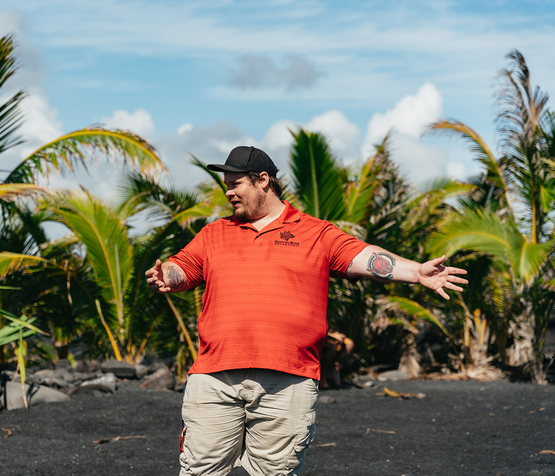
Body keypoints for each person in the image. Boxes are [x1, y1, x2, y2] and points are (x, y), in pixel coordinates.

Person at [145, 146, 467, 476]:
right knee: (199, 470)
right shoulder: (214, 233)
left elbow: (365, 258)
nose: (228, 193)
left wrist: (415, 272)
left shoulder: (316, 233)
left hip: (288, 382)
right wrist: (166, 275)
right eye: (226, 185)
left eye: (235, 184)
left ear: (263, 181)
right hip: (215, 378)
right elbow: (183, 267)